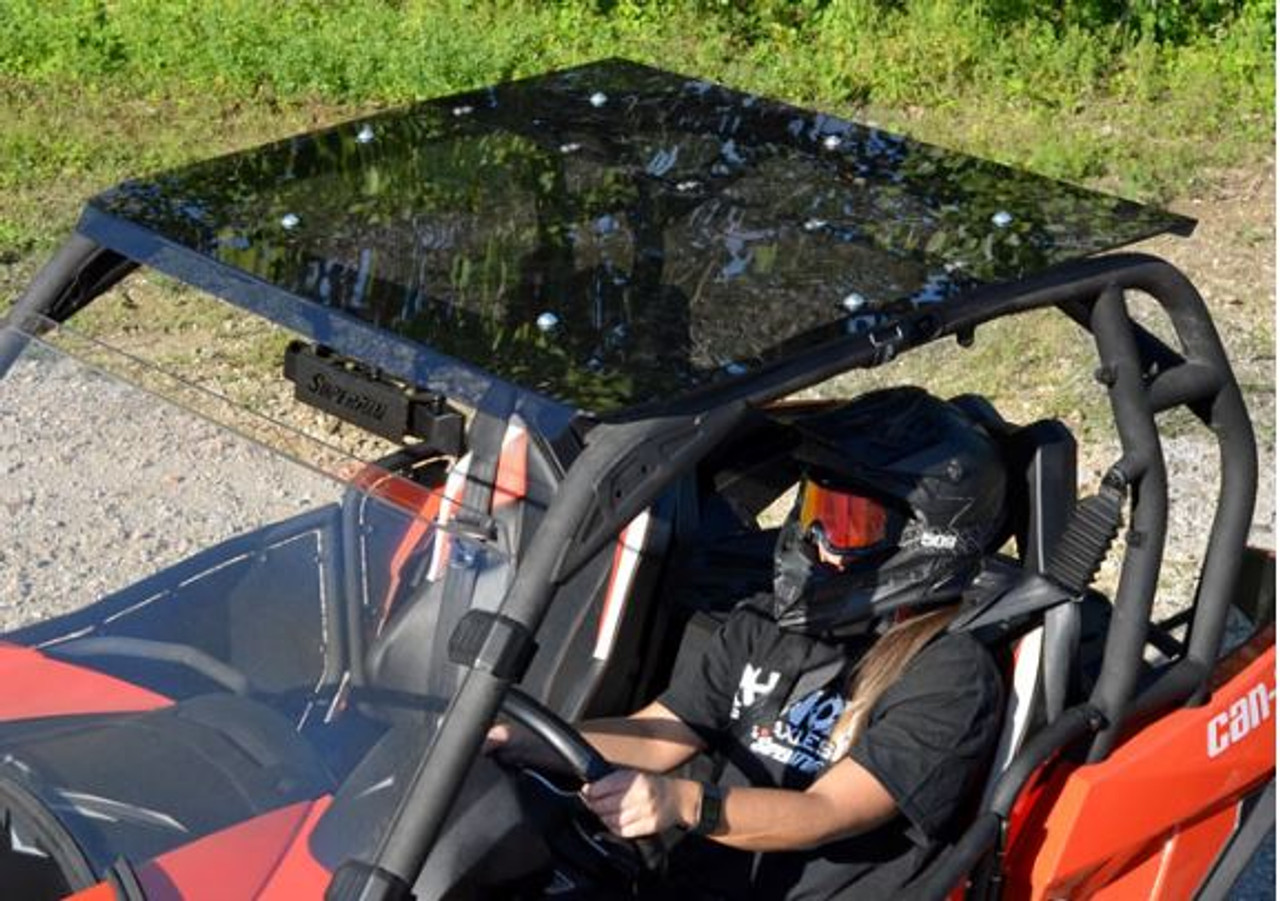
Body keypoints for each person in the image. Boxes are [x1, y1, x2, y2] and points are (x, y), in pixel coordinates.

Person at [488, 386, 1008, 899]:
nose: (817, 541)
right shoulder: (770, 620)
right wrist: (518, 740)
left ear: (926, 539)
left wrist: (685, 804)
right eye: (813, 511)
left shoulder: (950, 673)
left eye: (849, 525)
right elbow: (660, 731)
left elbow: (826, 811)